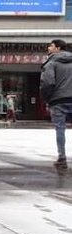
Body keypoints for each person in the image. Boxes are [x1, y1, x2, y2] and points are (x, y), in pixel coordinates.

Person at [40, 39, 72, 169]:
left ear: (58, 48)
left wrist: (47, 98)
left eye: (51, 46)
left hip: (58, 100)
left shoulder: (51, 63)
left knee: (60, 129)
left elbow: (48, 83)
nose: (48, 48)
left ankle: (62, 158)